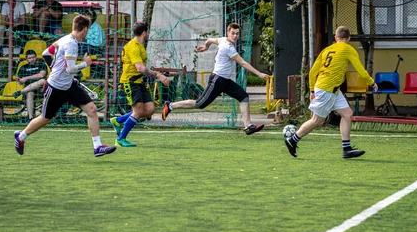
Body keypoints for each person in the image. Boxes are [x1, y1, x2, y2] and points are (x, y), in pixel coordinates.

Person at [14, 14, 116, 158]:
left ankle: (97, 146)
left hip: (69, 85)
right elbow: (70, 69)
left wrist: (56, 69)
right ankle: (21, 136)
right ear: (85, 29)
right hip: (55, 87)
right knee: (46, 118)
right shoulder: (71, 44)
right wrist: (85, 64)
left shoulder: (64, 39)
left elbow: (45, 53)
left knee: (91, 109)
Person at [284, 26, 378, 159]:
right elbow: (360, 70)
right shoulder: (348, 49)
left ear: (336, 38)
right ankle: (292, 140)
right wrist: (371, 82)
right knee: (317, 120)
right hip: (327, 89)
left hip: (331, 89)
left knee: (347, 113)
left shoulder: (327, 50)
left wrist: (312, 90)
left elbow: (312, 73)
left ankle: (347, 149)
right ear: (349, 38)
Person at [160, 22, 268, 135]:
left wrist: (206, 47)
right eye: (233, 33)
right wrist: (259, 74)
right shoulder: (228, 47)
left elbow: (210, 40)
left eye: (237, 34)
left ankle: (248, 126)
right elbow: (243, 63)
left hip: (225, 81)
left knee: (244, 97)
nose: (235, 36)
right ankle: (170, 105)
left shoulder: (222, 40)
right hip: (217, 80)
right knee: (200, 104)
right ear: (228, 32)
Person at [110, 21, 170, 147]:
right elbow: (140, 68)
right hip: (130, 81)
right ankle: (120, 139)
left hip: (139, 81)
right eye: (147, 32)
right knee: (137, 111)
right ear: (144, 32)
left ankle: (118, 120)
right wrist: (158, 75)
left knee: (149, 110)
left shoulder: (140, 45)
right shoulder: (133, 46)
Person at [12, 49, 48, 121]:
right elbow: (19, 79)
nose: (32, 59)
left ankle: (20, 92)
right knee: (29, 94)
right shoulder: (23, 67)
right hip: (30, 89)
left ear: (36, 57)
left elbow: (41, 75)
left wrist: (26, 78)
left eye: (33, 57)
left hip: (42, 89)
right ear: (26, 59)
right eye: (30, 58)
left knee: (42, 81)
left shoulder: (41, 64)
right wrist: (19, 79)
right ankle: (30, 118)